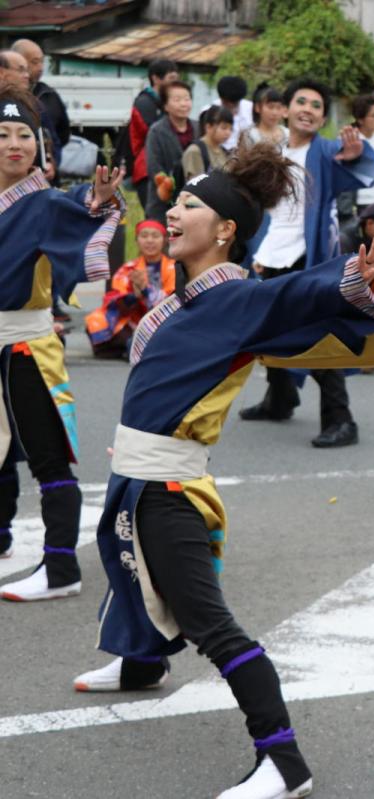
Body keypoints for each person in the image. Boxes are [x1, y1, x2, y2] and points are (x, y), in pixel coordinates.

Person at [71, 143, 374, 799]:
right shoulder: (188, 299)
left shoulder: (239, 296)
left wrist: (352, 277)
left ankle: (283, 761)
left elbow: (294, 292)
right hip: (140, 473)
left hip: (169, 489)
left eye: (191, 206)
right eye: (178, 202)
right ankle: (140, 665)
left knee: (211, 624)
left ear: (226, 230)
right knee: (126, 564)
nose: (173, 212)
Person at [0, 82, 125, 600]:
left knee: (48, 458)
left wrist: (99, 200)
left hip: (26, 344)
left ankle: (60, 568)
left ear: (40, 145)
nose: (14, 144)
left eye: (24, 135)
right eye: (3, 134)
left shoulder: (47, 203)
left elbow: (84, 208)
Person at [238, 77, 374, 449]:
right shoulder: (272, 150)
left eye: (317, 106)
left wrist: (354, 156)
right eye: (301, 102)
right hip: (270, 251)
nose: (308, 109)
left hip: (310, 255)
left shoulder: (329, 151)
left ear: (322, 118)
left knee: (319, 336)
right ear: (285, 109)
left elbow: (368, 170)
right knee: (270, 330)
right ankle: (280, 397)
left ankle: (341, 419)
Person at [84, 220, 177, 359]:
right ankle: (134, 346)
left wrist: (146, 290)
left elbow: (173, 299)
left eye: (155, 236)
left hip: (164, 320)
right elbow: (117, 298)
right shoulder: (128, 268)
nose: (149, 240)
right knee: (96, 320)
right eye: (144, 236)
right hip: (134, 319)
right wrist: (135, 295)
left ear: (164, 240)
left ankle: (131, 347)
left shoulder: (174, 267)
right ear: (137, 241)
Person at [127, 59, 179, 212]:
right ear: (156, 78)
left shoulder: (163, 103)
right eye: (171, 78)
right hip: (147, 169)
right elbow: (154, 134)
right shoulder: (144, 103)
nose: (175, 83)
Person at [144, 80, 197, 224]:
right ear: (166, 105)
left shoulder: (199, 127)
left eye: (187, 99)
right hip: (163, 202)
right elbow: (154, 166)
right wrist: (168, 186)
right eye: (177, 100)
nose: (184, 104)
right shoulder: (156, 131)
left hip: (195, 199)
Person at [12, 40, 69, 174]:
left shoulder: (48, 95)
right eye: (35, 62)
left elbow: (61, 136)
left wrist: (52, 164)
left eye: (42, 62)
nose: (40, 67)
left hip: (44, 175)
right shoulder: (6, 99)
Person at [181, 105, 232, 182]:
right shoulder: (195, 151)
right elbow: (195, 184)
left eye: (231, 129)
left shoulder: (224, 152)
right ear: (209, 127)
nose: (228, 132)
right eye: (224, 128)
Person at [213, 75, 254, 152]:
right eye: (227, 104)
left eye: (234, 104)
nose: (231, 108)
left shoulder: (251, 109)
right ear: (221, 98)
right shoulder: (209, 112)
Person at [240, 84, 287, 151]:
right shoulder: (249, 135)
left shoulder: (288, 134)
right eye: (270, 107)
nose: (275, 113)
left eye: (279, 108)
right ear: (257, 107)